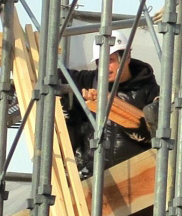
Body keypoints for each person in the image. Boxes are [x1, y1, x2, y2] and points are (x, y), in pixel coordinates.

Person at [66, 51, 158, 179]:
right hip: (95, 173)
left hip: (135, 173)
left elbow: (155, 134)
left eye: (110, 60)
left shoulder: (150, 91)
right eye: (99, 62)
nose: (104, 66)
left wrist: (133, 124)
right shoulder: (91, 81)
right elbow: (57, 75)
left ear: (126, 58)